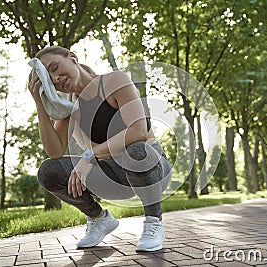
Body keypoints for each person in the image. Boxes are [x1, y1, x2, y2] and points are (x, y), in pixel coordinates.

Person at [27, 45, 171, 252]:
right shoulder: (67, 105)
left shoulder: (113, 81)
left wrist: (90, 155)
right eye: (50, 80)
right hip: (113, 177)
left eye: (55, 68)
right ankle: (99, 219)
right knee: (49, 171)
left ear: (72, 57)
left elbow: (138, 131)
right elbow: (55, 152)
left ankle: (154, 220)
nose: (56, 79)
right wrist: (39, 103)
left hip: (151, 170)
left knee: (137, 150)